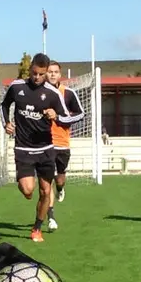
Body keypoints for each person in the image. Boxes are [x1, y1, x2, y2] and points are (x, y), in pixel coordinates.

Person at [0, 53, 83, 242]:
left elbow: (72, 117)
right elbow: (4, 105)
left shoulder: (53, 94)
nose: (37, 77)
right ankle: (26, 187)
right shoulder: (17, 87)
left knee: (46, 191)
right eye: (34, 73)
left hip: (46, 148)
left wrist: (57, 116)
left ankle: (37, 228)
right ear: (30, 70)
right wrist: (6, 123)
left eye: (41, 74)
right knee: (28, 189)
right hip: (23, 148)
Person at [45, 60, 85, 231]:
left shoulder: (68, 94)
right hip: (44, 145)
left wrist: (60, 118)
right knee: (46, 182)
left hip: (62, 145)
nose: (52, 74)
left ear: (60, 75)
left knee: (59, 179)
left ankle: (61, 188)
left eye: (55, 72)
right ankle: (51, 217)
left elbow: (81, 114)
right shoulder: (39, 93)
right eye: (49, 71)